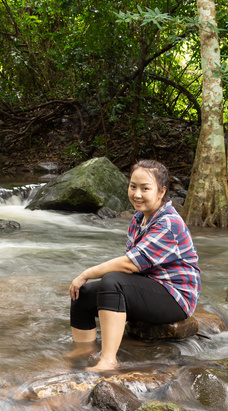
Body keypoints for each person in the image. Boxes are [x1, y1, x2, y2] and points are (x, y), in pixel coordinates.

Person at [69, 159, 200, 372]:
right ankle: (83, 353)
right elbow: (134, 267)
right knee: (82, 293)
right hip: (150, 286)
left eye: (145, 188)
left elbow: (129, 264)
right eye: (133, 186)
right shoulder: (140, 218)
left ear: (161, 192)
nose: (137, 194)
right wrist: (85, 280)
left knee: (112, 282)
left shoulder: (168, 224)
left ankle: (108, 360)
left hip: (176, 297)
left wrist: (86, 272)